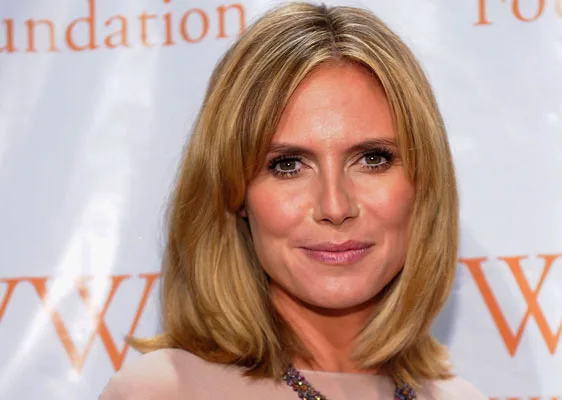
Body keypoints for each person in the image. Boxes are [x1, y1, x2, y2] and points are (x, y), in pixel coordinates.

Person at [99, 2, 486, 399]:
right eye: (287, 165)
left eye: (373, 159)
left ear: (424, 181)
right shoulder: (166, 391)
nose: (335, 207)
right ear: (235, 192)